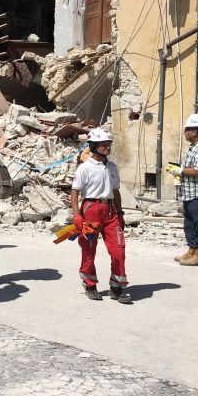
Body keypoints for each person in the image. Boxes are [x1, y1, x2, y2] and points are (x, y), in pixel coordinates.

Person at [70, 128, 130, 303]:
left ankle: (117, 287)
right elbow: (75, 192)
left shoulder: (112, 167)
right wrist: (77, 216)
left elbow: (116, 191)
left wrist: (120, 213)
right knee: (89, 248)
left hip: (110, 211)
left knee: (118, 250)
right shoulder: (85, 168)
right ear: (93, 146)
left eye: (108, 144)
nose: (107, 147)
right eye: (103, 144)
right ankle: (90, 284)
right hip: (91, 210)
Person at [168, 114, 198, 266]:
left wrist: (180, 170)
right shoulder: (194, 147)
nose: (185, 133)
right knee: (190, 223)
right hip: (189, 193)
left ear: (194, 131)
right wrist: (179, 170)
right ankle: (192, 250)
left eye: (187, 130)